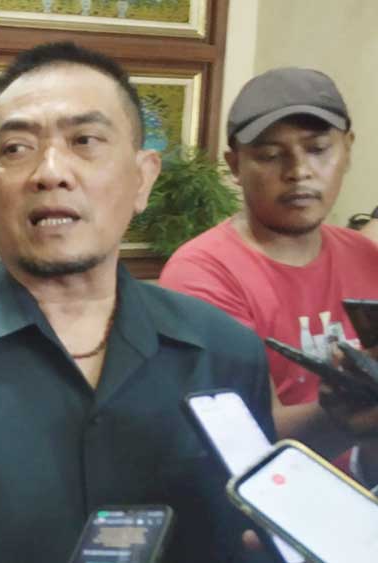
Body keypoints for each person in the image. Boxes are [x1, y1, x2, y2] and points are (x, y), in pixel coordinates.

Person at [0, 42, 276, 563]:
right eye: (16, 148)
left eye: (84, 141)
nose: (50, 172)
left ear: (142, 179)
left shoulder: (226, 352)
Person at [159, 68, 378, 463]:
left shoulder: (366, 257)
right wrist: (343, 415)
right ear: (235, 165)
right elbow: (240, 443)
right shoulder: (201, 275)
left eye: (318, 149)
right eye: (270, 156)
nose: (298, 171)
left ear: (347, 149)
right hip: (278, 496)